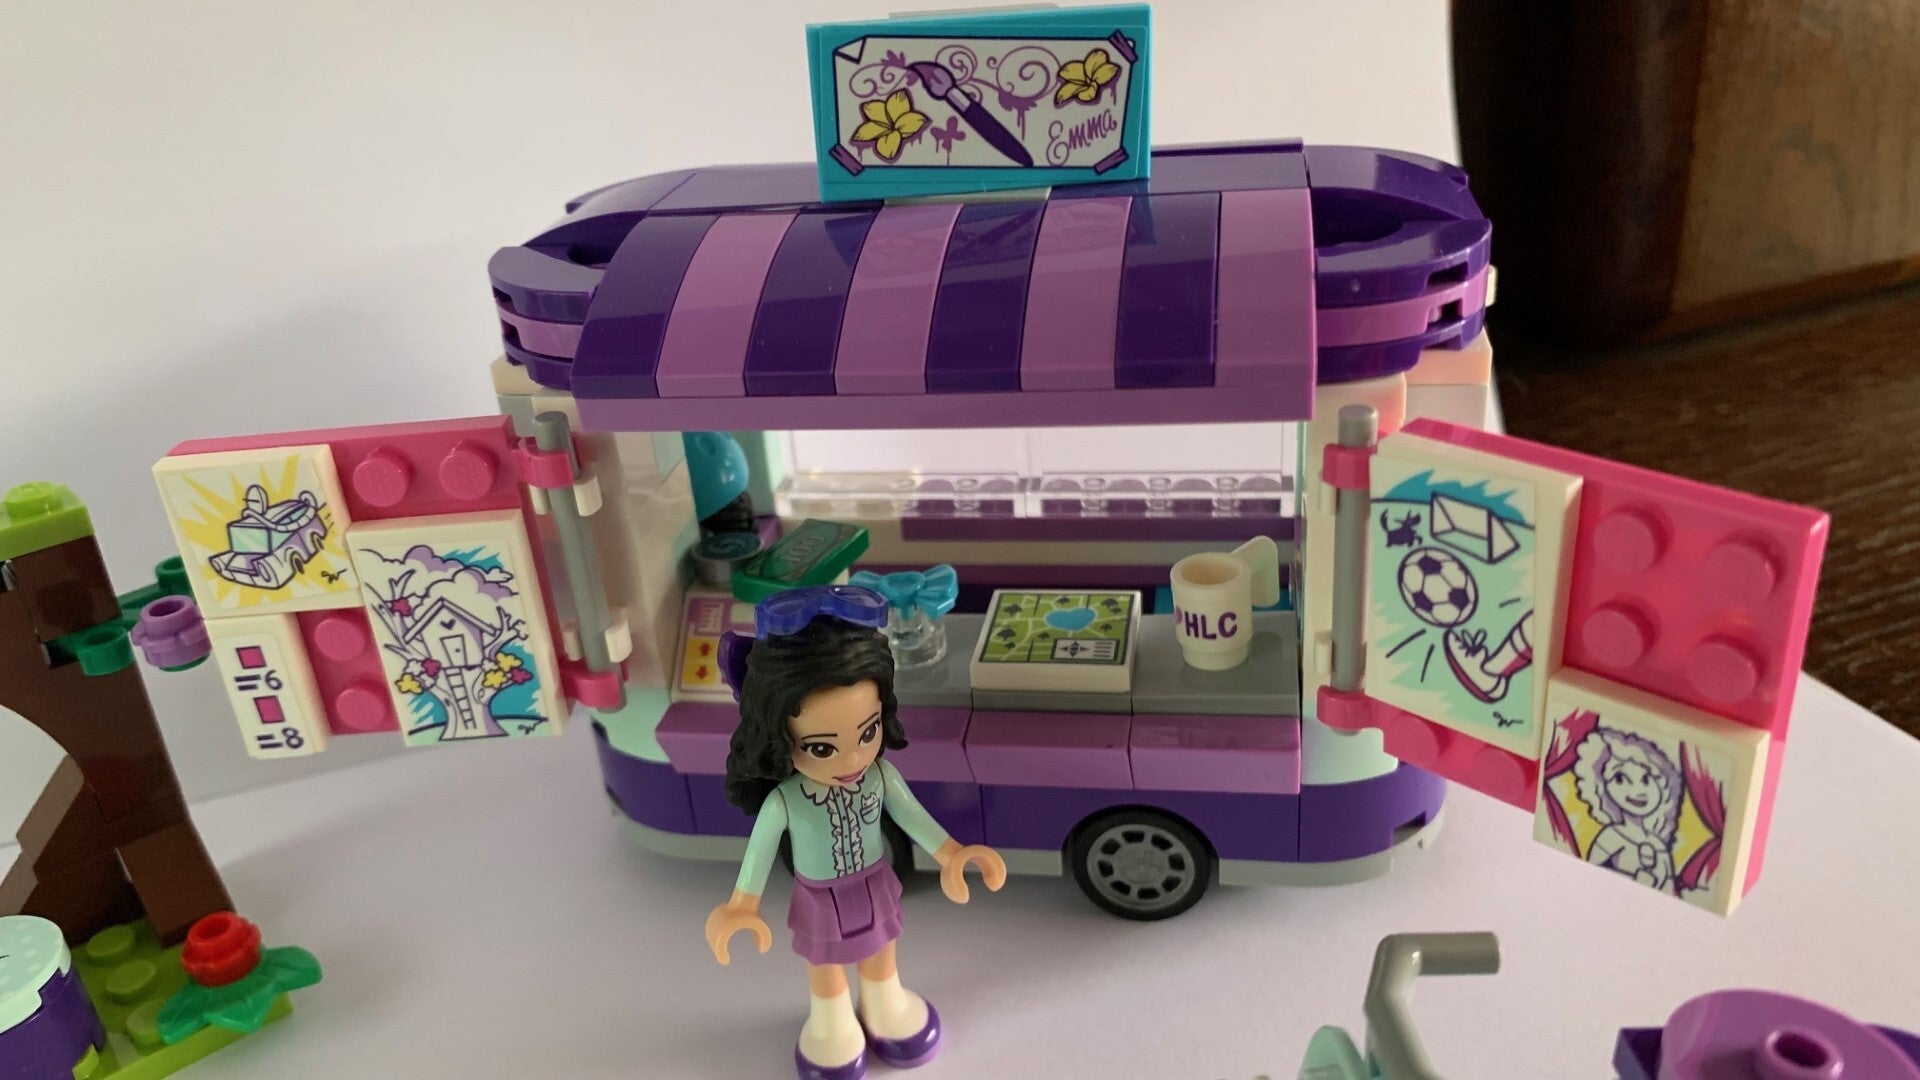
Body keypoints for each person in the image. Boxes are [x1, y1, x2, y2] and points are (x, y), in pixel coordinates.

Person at [705, 585, 1006, 1080]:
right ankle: (831, 1023)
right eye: (822, 748)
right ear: (778, 739)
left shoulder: (881, 777)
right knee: (825, 964)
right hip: (820, 896)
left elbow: (912, 817)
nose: (852, 758)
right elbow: (759, 852)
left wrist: (952, 854)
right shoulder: (786, 801)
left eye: (868, 733)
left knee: (881, 946)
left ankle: (886, 1004)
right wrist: (742, 904)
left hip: (873, 881)